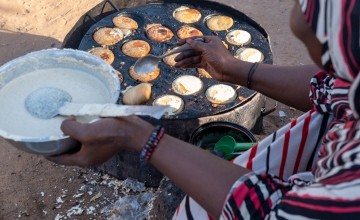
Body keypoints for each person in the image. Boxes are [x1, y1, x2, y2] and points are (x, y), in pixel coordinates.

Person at [49, 0, 360, 219]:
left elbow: (266, 211)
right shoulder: (350, 78)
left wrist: (141, 137)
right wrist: (236, 70)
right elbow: (334, 86)